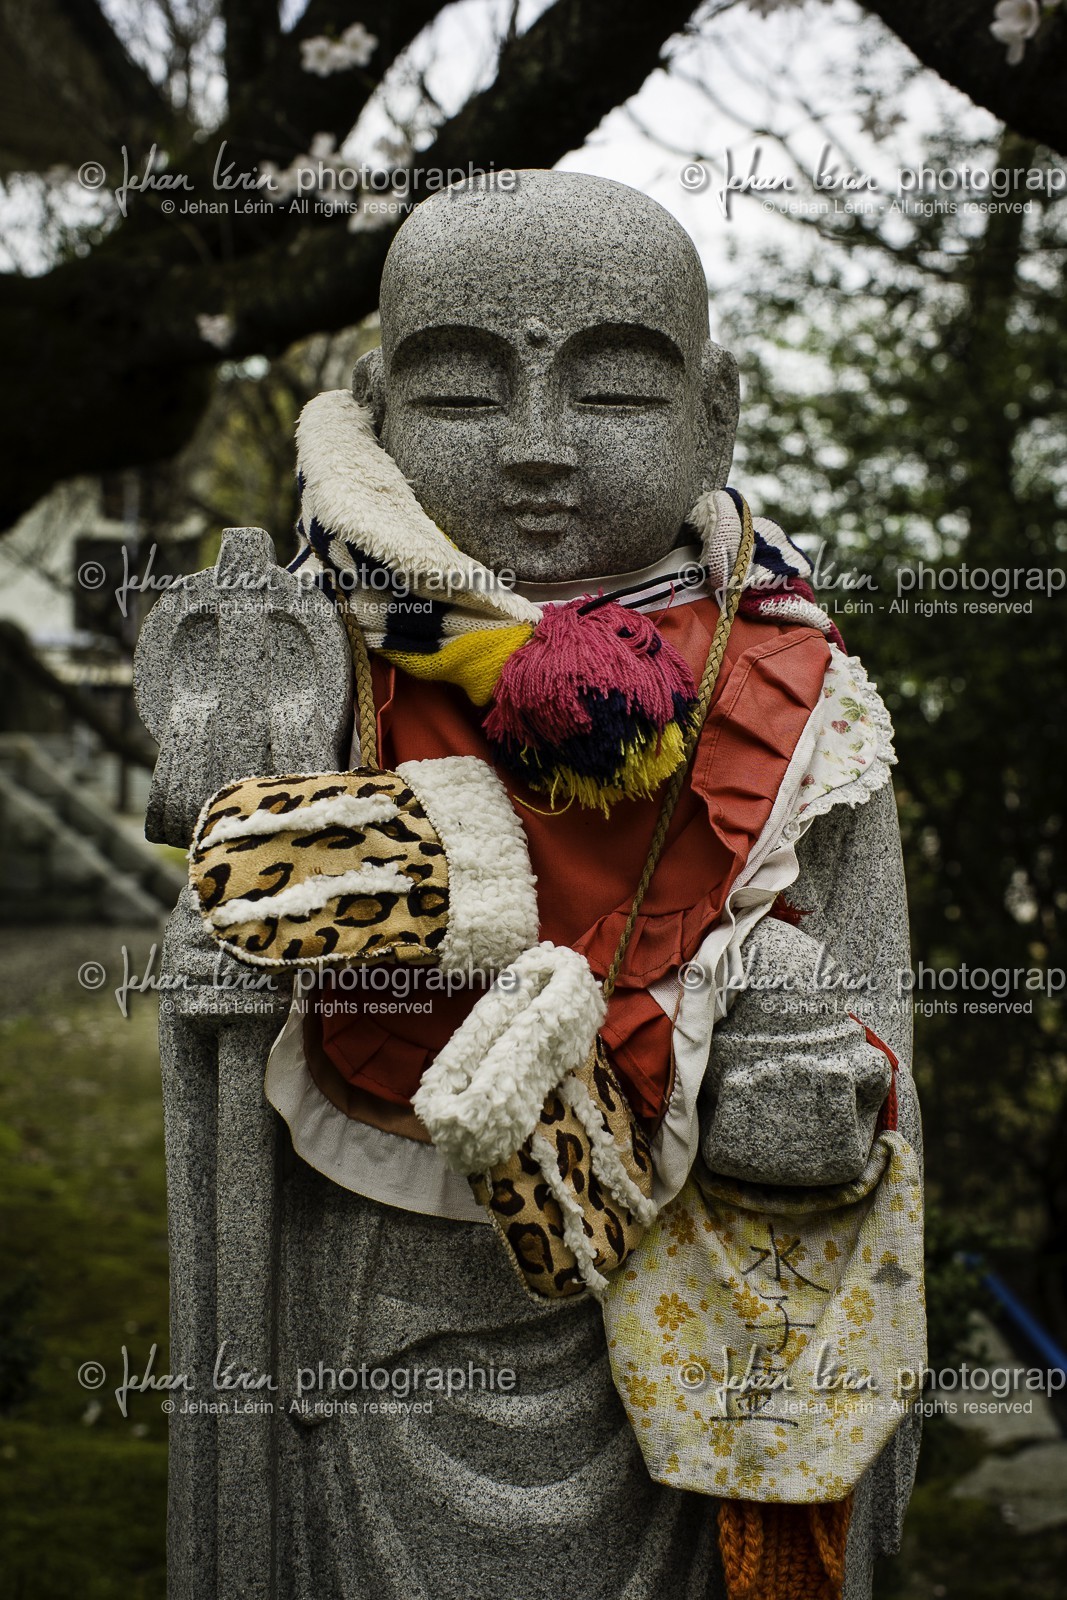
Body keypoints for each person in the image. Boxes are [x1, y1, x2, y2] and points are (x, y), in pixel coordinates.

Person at [250, 170, 921, 1599]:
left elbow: (880, 1042)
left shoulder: (801, 698)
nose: (540, 451)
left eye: (614, 392)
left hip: (698, 1309)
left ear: (716, 413)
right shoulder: (318, 658)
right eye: (464, 391)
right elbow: (229, 975)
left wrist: (816, 1090)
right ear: (374, 404)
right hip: (382, 1303)